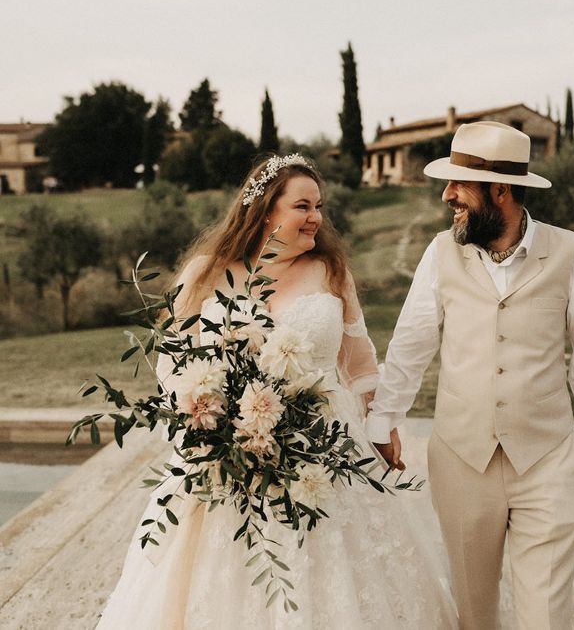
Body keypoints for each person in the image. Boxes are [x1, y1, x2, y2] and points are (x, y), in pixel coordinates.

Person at [97, 155, 457, 629]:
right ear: (267, 211)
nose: (316, 217)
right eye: (302, 206)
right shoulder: (206, 272)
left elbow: (360, 361)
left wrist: (381, 424)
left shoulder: (330, 271)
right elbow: (172, 362)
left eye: (319, 206)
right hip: (227, 456)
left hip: (326, 449)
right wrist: (203, 412)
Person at [367, 122, 574, 630]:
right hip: (461, 461)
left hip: (547, 462)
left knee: (546, 615)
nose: (446, 194)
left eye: (459, 184)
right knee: (475, 614)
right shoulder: (441, 252)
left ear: (500, 190)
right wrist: (383, 418)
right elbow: (412, 344)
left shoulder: (569, 252)